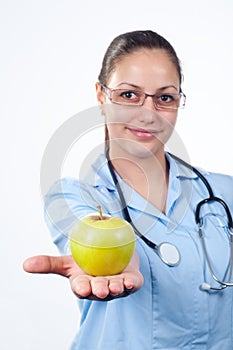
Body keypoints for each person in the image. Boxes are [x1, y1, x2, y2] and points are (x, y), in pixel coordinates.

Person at [23, 30, 233, 349]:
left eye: (165, 98)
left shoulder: (223, 192)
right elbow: (83, 229)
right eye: (129, 95)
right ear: (101, 95)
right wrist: (113, 257)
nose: (147, 114)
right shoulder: (74, 196)